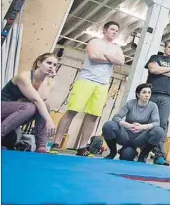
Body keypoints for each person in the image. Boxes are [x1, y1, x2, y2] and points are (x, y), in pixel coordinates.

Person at [51, 21, 125, 156]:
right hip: (86, 80)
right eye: (112, 29)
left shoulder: (117, 48)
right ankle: (55, 143)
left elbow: (121, 62)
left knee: (93, 116)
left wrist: (106, 56)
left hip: (102, 84)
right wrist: (112, 59)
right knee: (72, 111)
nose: (114, 32)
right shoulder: (94, 42)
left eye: (116, 31)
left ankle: (82, 147)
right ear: (104, 30)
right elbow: (93, 57)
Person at [1, 53, 58, 152]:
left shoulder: (50, 82)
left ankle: (41, 146)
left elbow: (42, 99)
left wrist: (47, 78)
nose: (51, 67)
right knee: (30, 107)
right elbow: (36, 100)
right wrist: (49, 120)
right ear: (39, 63)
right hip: (3, 108)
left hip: (17, 115)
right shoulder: (24, 76)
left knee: (44, 106)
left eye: (54, 65)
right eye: (49, 63)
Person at [102, 83, 164, 162]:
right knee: (109, 125)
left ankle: (142, 156)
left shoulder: (153, 106)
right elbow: (116, 117)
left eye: (149, 92)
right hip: (126, 136)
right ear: (138, 94)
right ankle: (113, 152)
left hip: (140, 138)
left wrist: (141, 127)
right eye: (144, 92)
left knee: (159, 131)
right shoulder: (130, 103)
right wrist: (128, 125)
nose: (147, 95)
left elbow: (156, 123)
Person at [145, 40, 170, 166]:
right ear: (165, 48)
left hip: (167, 96)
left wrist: (162, 69)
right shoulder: (155, 57)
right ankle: (142, 153)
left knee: (162, 125)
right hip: (152, 93)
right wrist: (169, 69)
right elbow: (153, 70)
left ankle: (159, 156)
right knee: (147, 122)